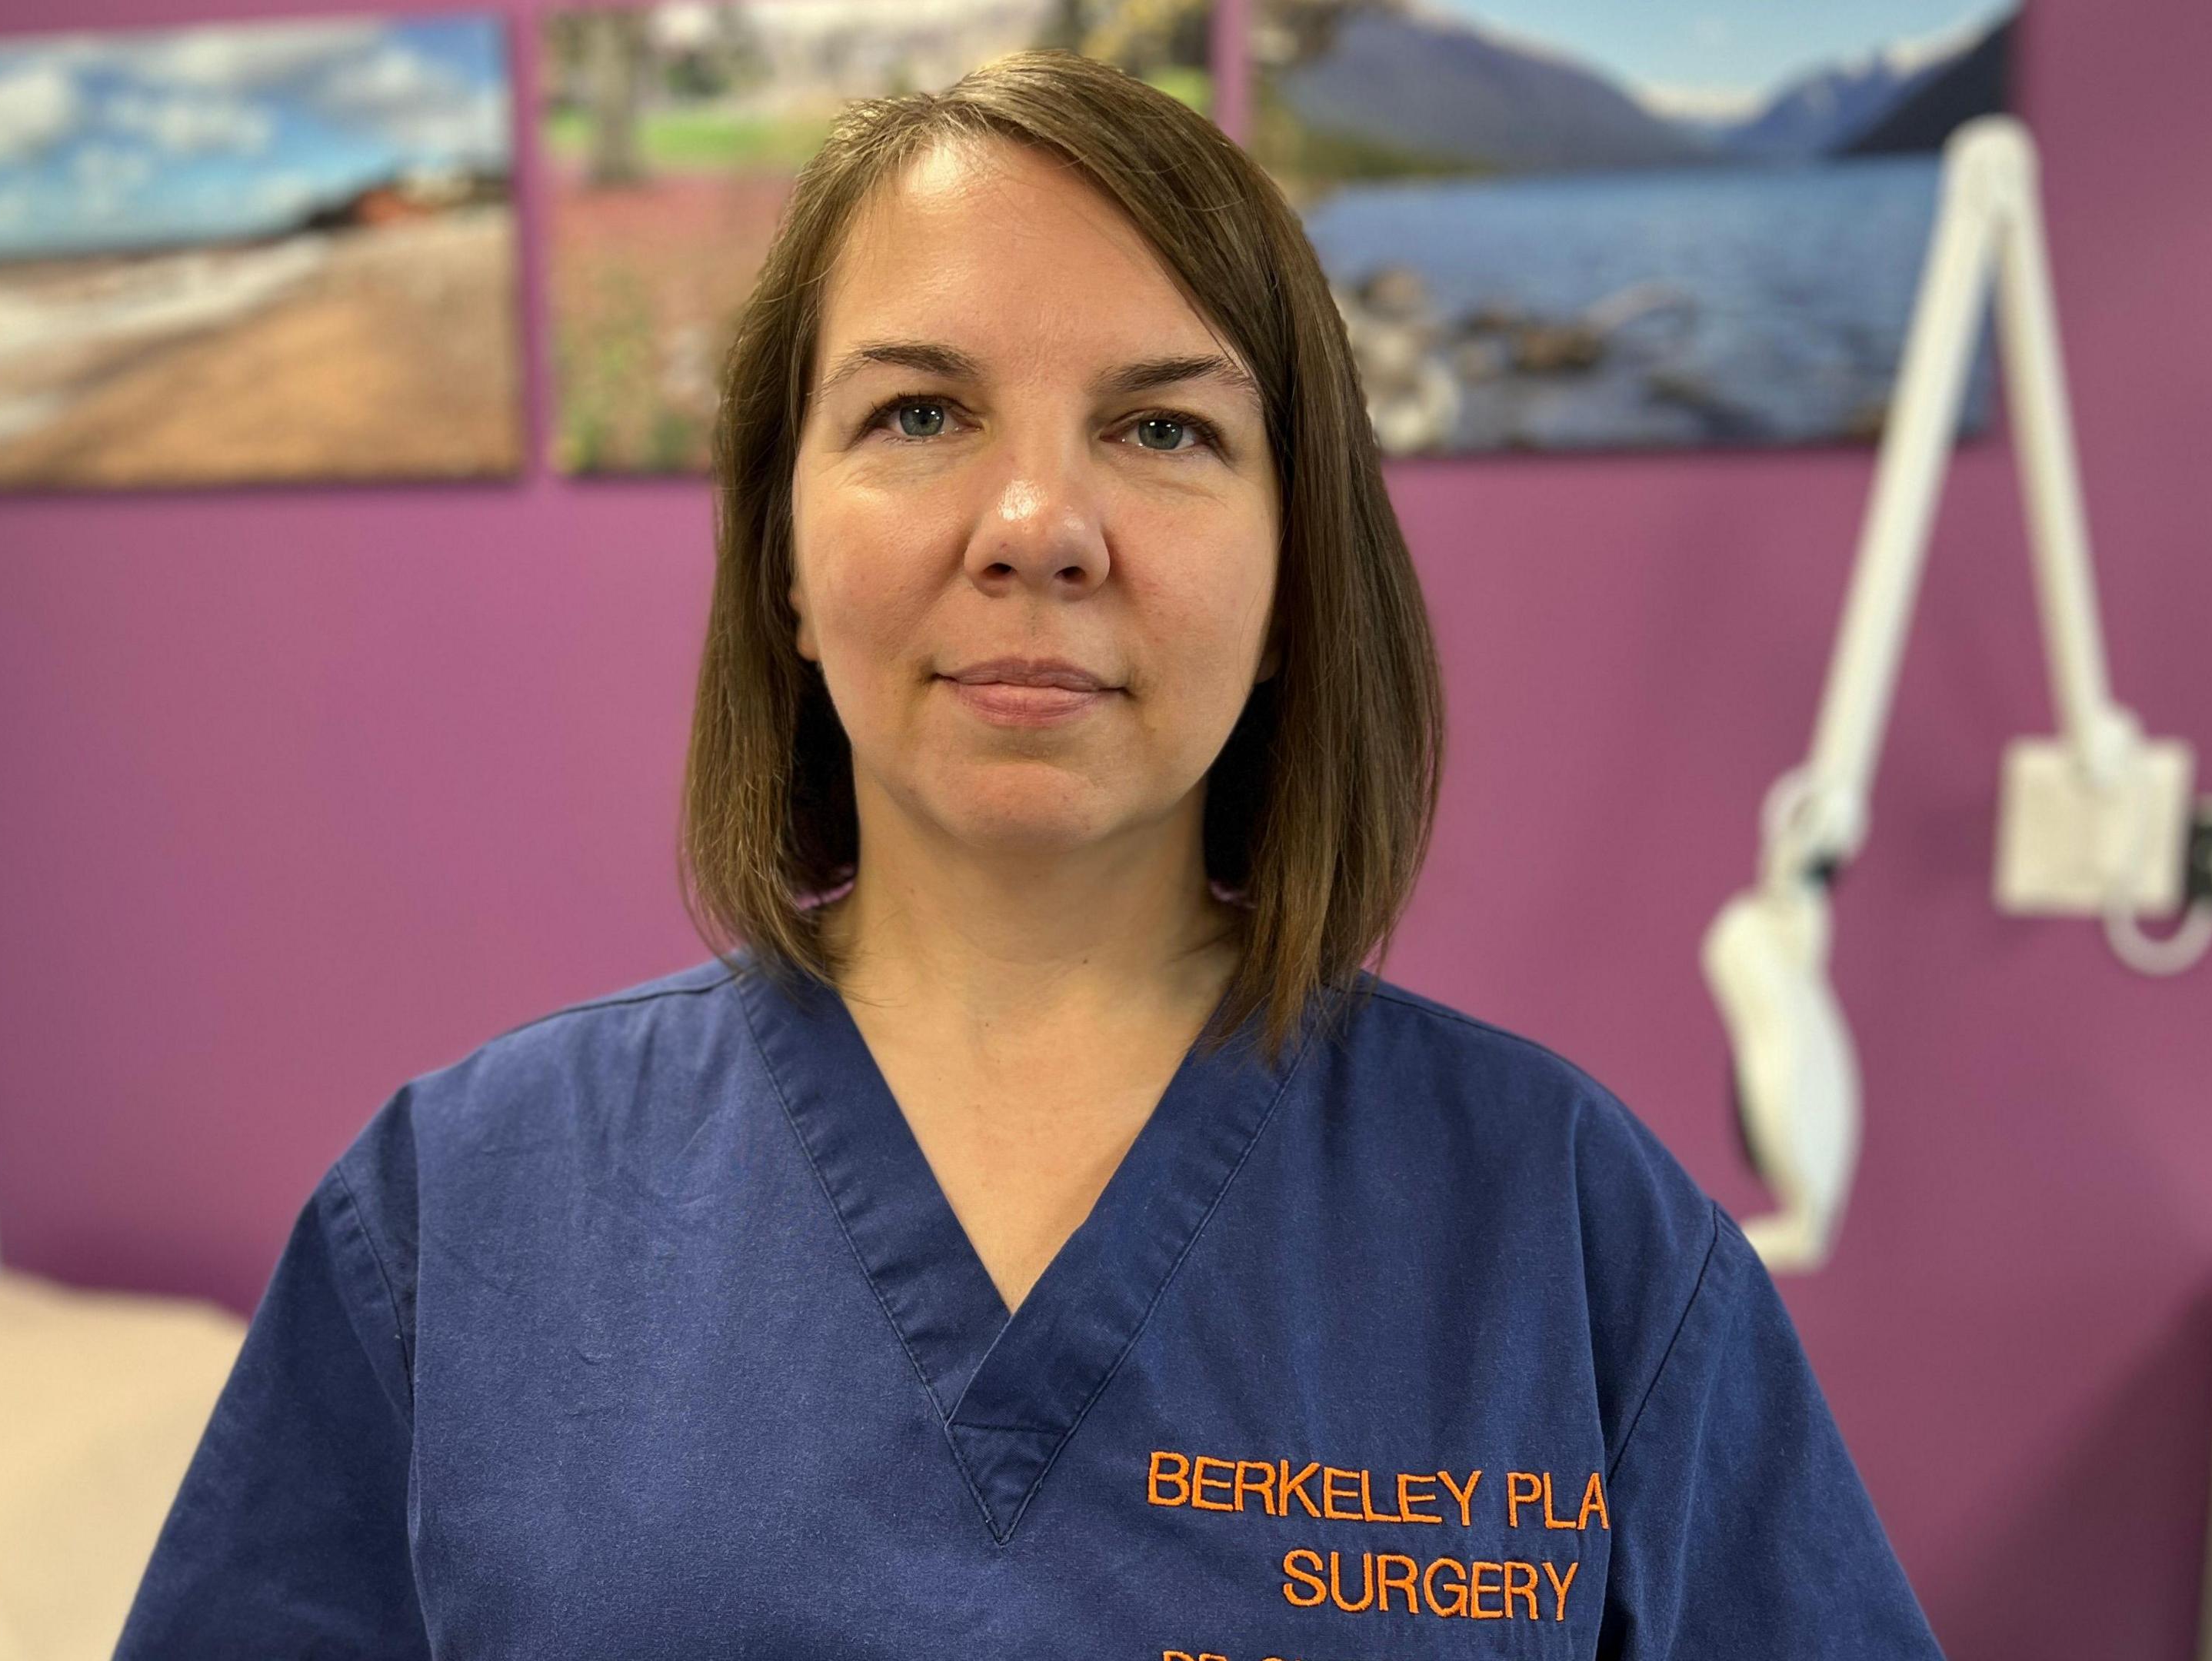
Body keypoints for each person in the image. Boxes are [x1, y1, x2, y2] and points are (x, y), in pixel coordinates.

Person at [113, 48, 1945, 1660]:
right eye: (919, 415)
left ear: (1299, 572)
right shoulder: (460, 1219)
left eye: (1163, 428)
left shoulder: (1572, 1240)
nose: (1037, 525)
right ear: (784, 560)